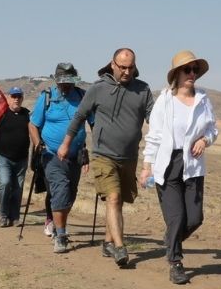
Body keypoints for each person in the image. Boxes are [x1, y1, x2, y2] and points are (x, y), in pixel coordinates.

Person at [59, 48, 152, 268]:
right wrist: (66, 143)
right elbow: (79, 116)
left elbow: (154, 121)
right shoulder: (98, 89)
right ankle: (120, 247)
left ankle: (108, 242)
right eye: (122, 67)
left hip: (129, 157)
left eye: (130, 67)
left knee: (120, 201)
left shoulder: (143, 90)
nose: (127, 72)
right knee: (113, 198)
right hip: (103, 155)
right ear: (113, 64)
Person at [140, 51, 218, 285]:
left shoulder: (203, 99)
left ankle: (171, 241)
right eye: (187, 70)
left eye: (195, 70)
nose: (192, 74)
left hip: (193, 165)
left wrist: (205, 141)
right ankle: (175, 262)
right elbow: (154, 136)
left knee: (194, 219)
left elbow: (213, 129)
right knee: (176, 218)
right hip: (168, 164)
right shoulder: (164, 100)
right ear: (176, 74)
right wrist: (146, 167)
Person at [30, 63, 92, 254]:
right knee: (60, 189)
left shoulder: (83, 97)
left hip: (75, 156)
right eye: (62, 82)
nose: (66, 86)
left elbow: (95, 123)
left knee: (71, 193)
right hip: (51, 155)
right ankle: (61, 235)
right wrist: (37, 142)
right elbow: (33, 125)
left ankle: (59, 225)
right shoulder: (47, 97)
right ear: (57, 81)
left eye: (69, 82)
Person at [0, 87, 31, 227]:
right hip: (4, 157)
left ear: (22, 98)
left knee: (18, 188)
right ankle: (3, 214)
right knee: (5, 184)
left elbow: (35, 132)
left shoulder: (27, 114)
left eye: (19, 96)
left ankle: (15, 216)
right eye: (14, 96)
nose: (16, 98)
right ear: (8, 98)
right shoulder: (1, 113)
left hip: (22, 158)